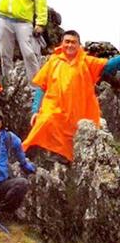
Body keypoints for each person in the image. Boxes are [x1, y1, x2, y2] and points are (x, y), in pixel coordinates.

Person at [23, 30, 120, 163]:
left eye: (73, 42)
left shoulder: (86, 61)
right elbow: (41, 86)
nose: (69, 45)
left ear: (79, 45)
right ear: (62, 43)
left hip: (77, 112)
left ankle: (64, 157)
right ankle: (28, 157)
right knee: (43, 123)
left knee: (75, 134)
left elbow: (108, 66)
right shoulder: (53, 61)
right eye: (67, 42)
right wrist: (35, 110)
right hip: (53, 109)